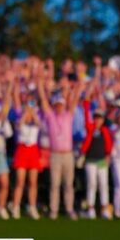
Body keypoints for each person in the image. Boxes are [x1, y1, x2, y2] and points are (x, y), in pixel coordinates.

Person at [37, 67, 79, 221]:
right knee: (54, 184)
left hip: (68, 154)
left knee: (68, 184)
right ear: (55, 105)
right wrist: (40, 84)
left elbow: (74, 100)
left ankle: (69, 209)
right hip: (55, 154)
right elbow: (43, 100)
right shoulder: (50, 117)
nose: (60, 107)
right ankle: (54, 210)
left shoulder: (68, 115)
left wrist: (74, 86)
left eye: (62, 104)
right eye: (58, 105)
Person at [10, 95, 43, 220]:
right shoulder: (20, 119)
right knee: (20, 181)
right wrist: (26, 112)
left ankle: (32, 206)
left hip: (33, 150)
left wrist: (32, 112)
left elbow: (39, 124)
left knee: (33, 182)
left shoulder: (36, 120)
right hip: (22, 150)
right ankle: (15, 207)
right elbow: (19, 125)